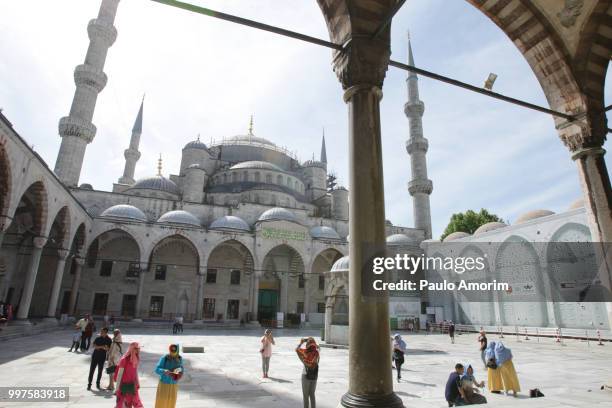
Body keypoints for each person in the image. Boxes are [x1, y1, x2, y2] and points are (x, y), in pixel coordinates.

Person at [114, 342, 143, 408]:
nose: (138, 350)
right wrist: (117, 388)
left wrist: (138, 383)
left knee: (135, 403)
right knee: (122, 404)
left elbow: (135, 372)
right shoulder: (124, 359)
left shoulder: (136, 358)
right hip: (123, 386)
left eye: (138, 348)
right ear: (132, 349)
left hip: (133, 385)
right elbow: (119, 374)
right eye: (136, 348)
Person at [154, 344, 184, 408]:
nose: (172, 353)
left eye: (174, 351)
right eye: (171, 350)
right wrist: (164, 371)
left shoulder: (179, 358)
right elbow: (156, 369)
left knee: (171, 402)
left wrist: (179, 372)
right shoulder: (165, 358)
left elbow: (182, 369)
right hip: (164, 385)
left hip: (173, 385)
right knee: (162, 402)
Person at [296, 337, 319, 408]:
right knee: (312, 394)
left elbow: (297, 349)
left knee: (306, 396)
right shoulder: (317, 353)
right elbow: (317, 347)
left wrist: (301, 342)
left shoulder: (305, 353)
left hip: (305, 375)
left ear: (307, 345)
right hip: (314, 375)